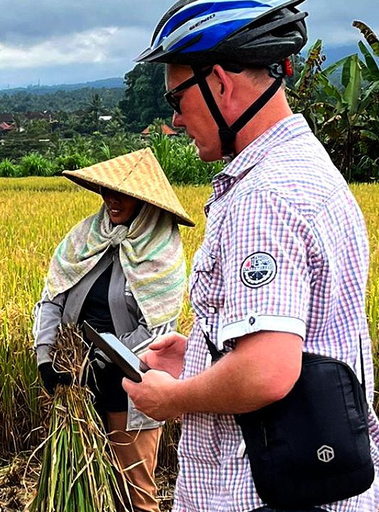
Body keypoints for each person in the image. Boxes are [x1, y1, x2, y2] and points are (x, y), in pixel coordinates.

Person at [123, 1, 379, 511]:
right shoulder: (307, 167)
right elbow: (300, 340)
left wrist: (171, 399)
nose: (174, 119)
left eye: (177, 97)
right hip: (321, 480)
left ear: (218, 83)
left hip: (268, 491)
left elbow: (266, 371)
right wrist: (198, 353)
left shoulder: (265, 194)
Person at [33, 148, 194, 512]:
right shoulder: (85, 238)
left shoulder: (161, 253)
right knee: (83, 483)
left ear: (144, 201)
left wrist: (104, 359)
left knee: (133, 490)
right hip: (74, 381)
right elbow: (52, 299)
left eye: (122, 194)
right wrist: (46, 357)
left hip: (131, 384)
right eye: (107, 192)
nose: (111, 200)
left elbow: (156, 327)